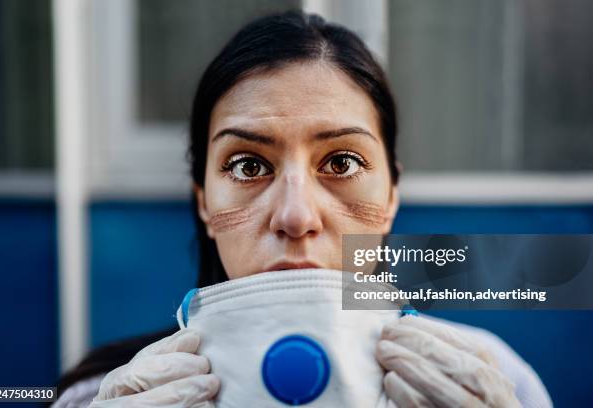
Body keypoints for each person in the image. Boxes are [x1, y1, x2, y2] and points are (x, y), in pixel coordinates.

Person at [52, 10, 552, 407]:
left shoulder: (495, 383)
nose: (295, 217)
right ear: (204, 200)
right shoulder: (103, 397)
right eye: (248, 167)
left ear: (392, 194)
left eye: (342, 162)